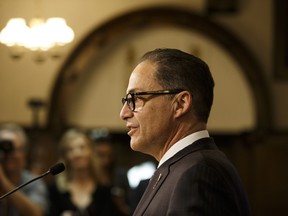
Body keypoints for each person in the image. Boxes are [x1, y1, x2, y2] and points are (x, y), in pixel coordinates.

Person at [120, 48, 251, 216]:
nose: (124, 113)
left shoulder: (198, 173)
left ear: (180, 104)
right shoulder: (181, 167)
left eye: (136, 98)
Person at [47, 128, 119, 216]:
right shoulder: (55, 190)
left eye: (82, 147)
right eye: (71, 149)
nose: (77, 154)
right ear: (65, 156)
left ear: (91, 152)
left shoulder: (104, 190)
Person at [0, 123, 47, 216]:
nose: (7, 154)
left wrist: (2, 179)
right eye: (2, 148)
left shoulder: (34, 182)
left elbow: (37, 213)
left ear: (24, 152)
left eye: (11, 149)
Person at [92, 134, 131, 216]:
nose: (106, 161)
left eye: (109, 156)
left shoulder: (120, 175)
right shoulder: (88, 176)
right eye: (101, 155)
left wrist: (121, 205)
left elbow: (131, 210)